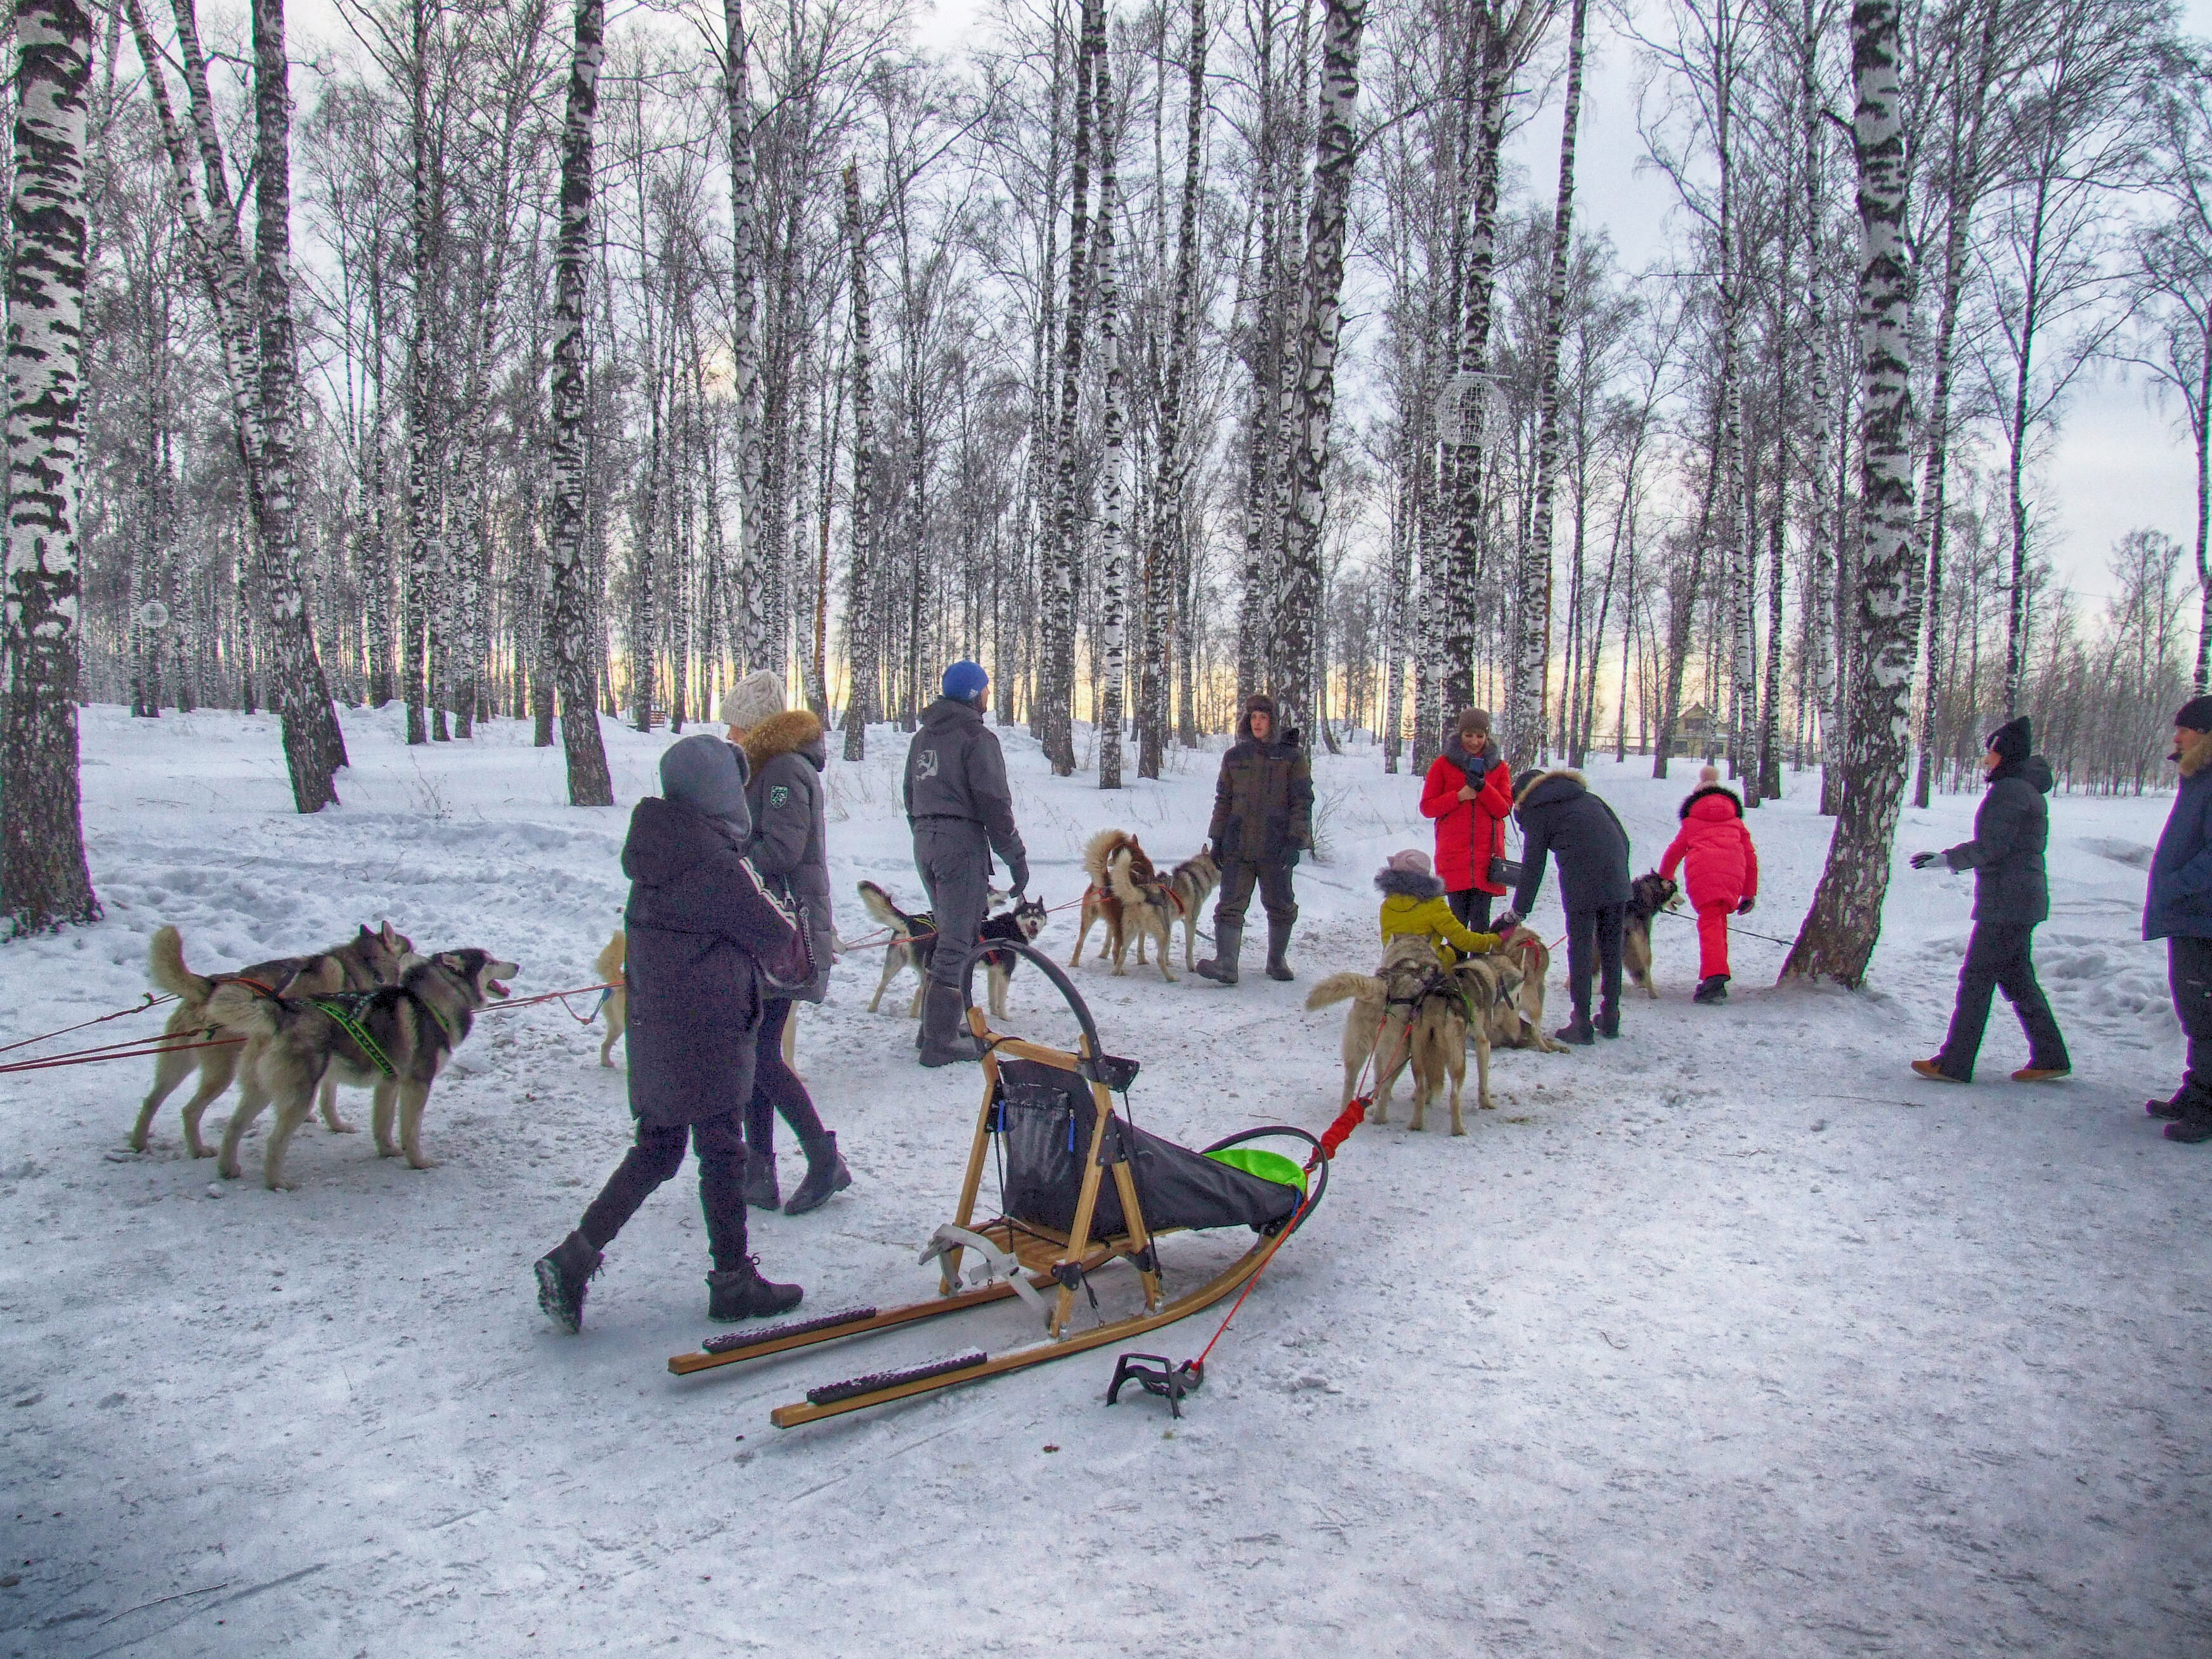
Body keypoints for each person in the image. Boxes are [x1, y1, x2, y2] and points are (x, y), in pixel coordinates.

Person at [535, 734, 808, 1334]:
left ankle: (574, 1258)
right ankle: (733, 1282)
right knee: (720, 1152)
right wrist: (798, 930)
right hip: (709, 1033)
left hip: (657, 1031)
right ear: (718, 792)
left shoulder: (656, 850)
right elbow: (779, 941)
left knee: (658, 1150)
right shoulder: (716, 862)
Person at [718, 670, 850, 1213]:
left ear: (755, 726)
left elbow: (784, 849)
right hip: (768, 924)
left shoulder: (782, 772)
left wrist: (726, 867)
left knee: (760, 1053)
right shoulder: (766, 769)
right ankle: (761, 1170)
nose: (728, 736)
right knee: (756, 1048)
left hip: (785, 929)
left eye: (734, 725)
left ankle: (823, 1161)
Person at [1907, 715, 2070, 1086]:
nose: (1986, 760)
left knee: (1976, 979)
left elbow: (1993, 847)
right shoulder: (2023, 788)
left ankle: (1954, 1062)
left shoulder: (2010, 790)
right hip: (2019, 900)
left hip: (2008, 902)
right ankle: (2051, 1056)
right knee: (2017, 979)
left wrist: (1948, 859)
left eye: (1991, 753)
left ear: (2005, 756)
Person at [904, 661, 1030, 1067]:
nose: (988, 697)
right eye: (986, 690)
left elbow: (909, 794)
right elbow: (994, 804)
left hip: (925, 841)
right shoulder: (977, 738)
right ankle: (939, 1042)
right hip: (960, 846)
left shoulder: (922, 737)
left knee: (949, 935)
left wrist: (925, 834)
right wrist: (1015, 857)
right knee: (958, 942)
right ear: (976, 694)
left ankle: (934, 1026)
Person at [1497, 767, 1632, 1044]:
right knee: (1611, 947)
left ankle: (1581, 1022)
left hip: (1581, 881)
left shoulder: (1537, 809)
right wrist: (1617, 873)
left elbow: (1533, 868)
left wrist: (1516, 914)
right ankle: (1611, 1015)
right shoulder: (1589, 798)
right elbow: (1624, 839)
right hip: (1617, 878)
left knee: (1581, 948)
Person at [1195, 693, 1314, 986]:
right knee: (1229, 905)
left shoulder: (1291, 757)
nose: (1258, 723)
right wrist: (1218, 837)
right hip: (1238, 844)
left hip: (1276, 845)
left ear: (1273, 721)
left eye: (1263, 717)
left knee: (1282, 904)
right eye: (1254, 717)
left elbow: (1302, 801)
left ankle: (1277, 960)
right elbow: (1223, 799)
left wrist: (1295, 842)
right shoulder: (1235, 757)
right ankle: (1226, 964)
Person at [2143, 697, 2212, 1141]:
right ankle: (2196, 1091)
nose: (2177, 736)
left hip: (2203, 917)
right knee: (2195, 1012)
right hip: (2191, 917)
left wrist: (2175, 885)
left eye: (2184, 729)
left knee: (2205, 1015)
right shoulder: (2199, 778)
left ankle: (2205, 1108)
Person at [1657, 769, 1760, 1005]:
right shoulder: (1736, 823)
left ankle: (1715, 978)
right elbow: (1751, 857)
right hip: (1733, 876)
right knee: (1718, 921)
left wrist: (1666, 877)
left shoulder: (1692, 823)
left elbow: (1674, 852)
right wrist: (1749, 893)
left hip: (1703, 876)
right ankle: (1715, 975)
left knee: (1711, 923)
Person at [1419, 708, 1514, 932]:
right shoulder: (1443, 765)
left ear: (1487, 736)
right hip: (1453, 855)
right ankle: (1457, 966)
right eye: (1469, 735)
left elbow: (1503, 809)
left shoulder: (1499, 768)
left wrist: (1483, 788)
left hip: (1487, 858)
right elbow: (1428, 807)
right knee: (1457, 922)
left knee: (1481, 921)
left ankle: (1478, 967)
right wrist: (1458, 796)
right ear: (1460, 734)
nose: (1475, 742)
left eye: (1480, 736)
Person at [1375, 849, 1500, 966]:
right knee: (1449, 955)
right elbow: (1464, 941)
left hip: (1394, 969)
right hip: (1427, 972)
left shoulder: (1386, 906)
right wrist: (1498, 940)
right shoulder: (1433, 905)